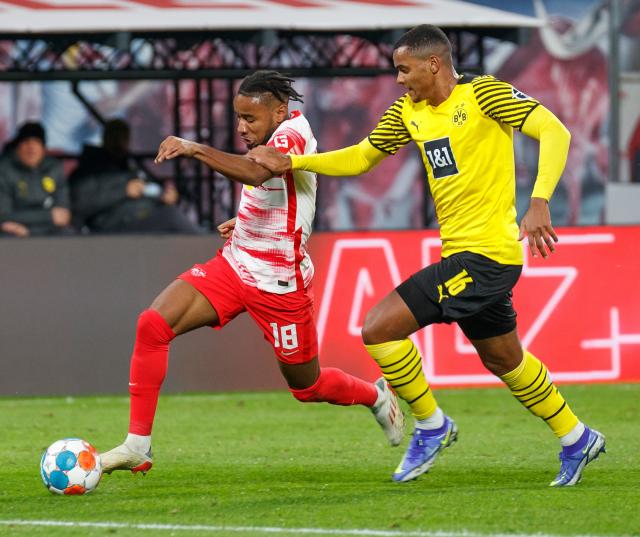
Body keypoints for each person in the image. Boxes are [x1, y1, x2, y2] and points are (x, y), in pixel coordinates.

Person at [248, 26, 606, 487]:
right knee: (504, 360)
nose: (398, 80)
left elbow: (554, 131)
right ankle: (577, 438)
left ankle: (432, 425)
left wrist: (539, 201)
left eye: (403, 69)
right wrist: (293, 163)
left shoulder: (486, 95)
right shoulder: (408, 112)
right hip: (463, 253)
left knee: (378, 328)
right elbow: (360, 158)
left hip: (486, 257)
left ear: (433, 63)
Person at [100, 71, 404, 475]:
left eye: (250, 119)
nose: (242, 128)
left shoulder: (293, 133)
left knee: (307, 387)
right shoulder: (269, 136)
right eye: (238, 118)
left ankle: (376, 397)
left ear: (280, 111)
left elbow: (259, 172)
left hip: (280, 284)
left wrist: (194, 149)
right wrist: (243, 218)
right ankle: (137, 445)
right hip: (235, 263)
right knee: (153, 324)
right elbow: (274, 192)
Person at [70, 118, 201, 234]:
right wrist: (123, 191)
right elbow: (80, 205)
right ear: (105, 138)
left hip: (141, 218)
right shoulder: (90, 168)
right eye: (115, 137)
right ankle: (208, 248)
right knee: (170, 216)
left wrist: (163, 197)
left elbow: (149, 190)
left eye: (123, 138)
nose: (119, 142)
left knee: (170, 213)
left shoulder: (130, 166)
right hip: (110, 229)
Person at [0, 122, 73, 237]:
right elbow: (3, 215)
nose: (31, 148)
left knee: (68, 234)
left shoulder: (54, 168)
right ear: (18, 146)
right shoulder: (4, 170)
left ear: (43, 148)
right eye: (26, 142)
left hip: (46, 231)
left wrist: (30, 231)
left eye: (36, 142)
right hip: (15, 232)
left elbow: (63, 216)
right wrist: (48, 216)